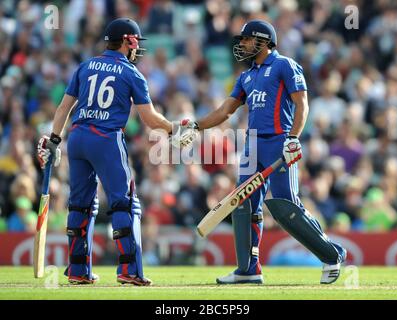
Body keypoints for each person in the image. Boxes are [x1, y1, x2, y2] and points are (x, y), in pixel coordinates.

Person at [181, 20, 347, 284]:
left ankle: (332, 255)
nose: (242, 44)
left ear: (262, 41)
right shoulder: (247, 75)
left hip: (279, 142)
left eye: (246, 39)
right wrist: (196, 125)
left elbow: (302, 103)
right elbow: (225, 111)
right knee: (243, 204)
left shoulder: (284, 65)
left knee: (285, 205)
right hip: (252, 145)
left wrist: (293, 138)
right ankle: (248, 270)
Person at [36, 18, 191, 285]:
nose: (137, 49)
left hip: (77, 138)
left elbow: (63, 108)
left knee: (80, 205)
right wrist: (173, 128)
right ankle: (130, 270)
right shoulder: (131, 73)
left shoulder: (85, 66)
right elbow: (149, 118)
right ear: (128, 41)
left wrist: (54, 140)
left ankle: (77, 271)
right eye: (135, 43)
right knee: (125, 203)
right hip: (106, 139)